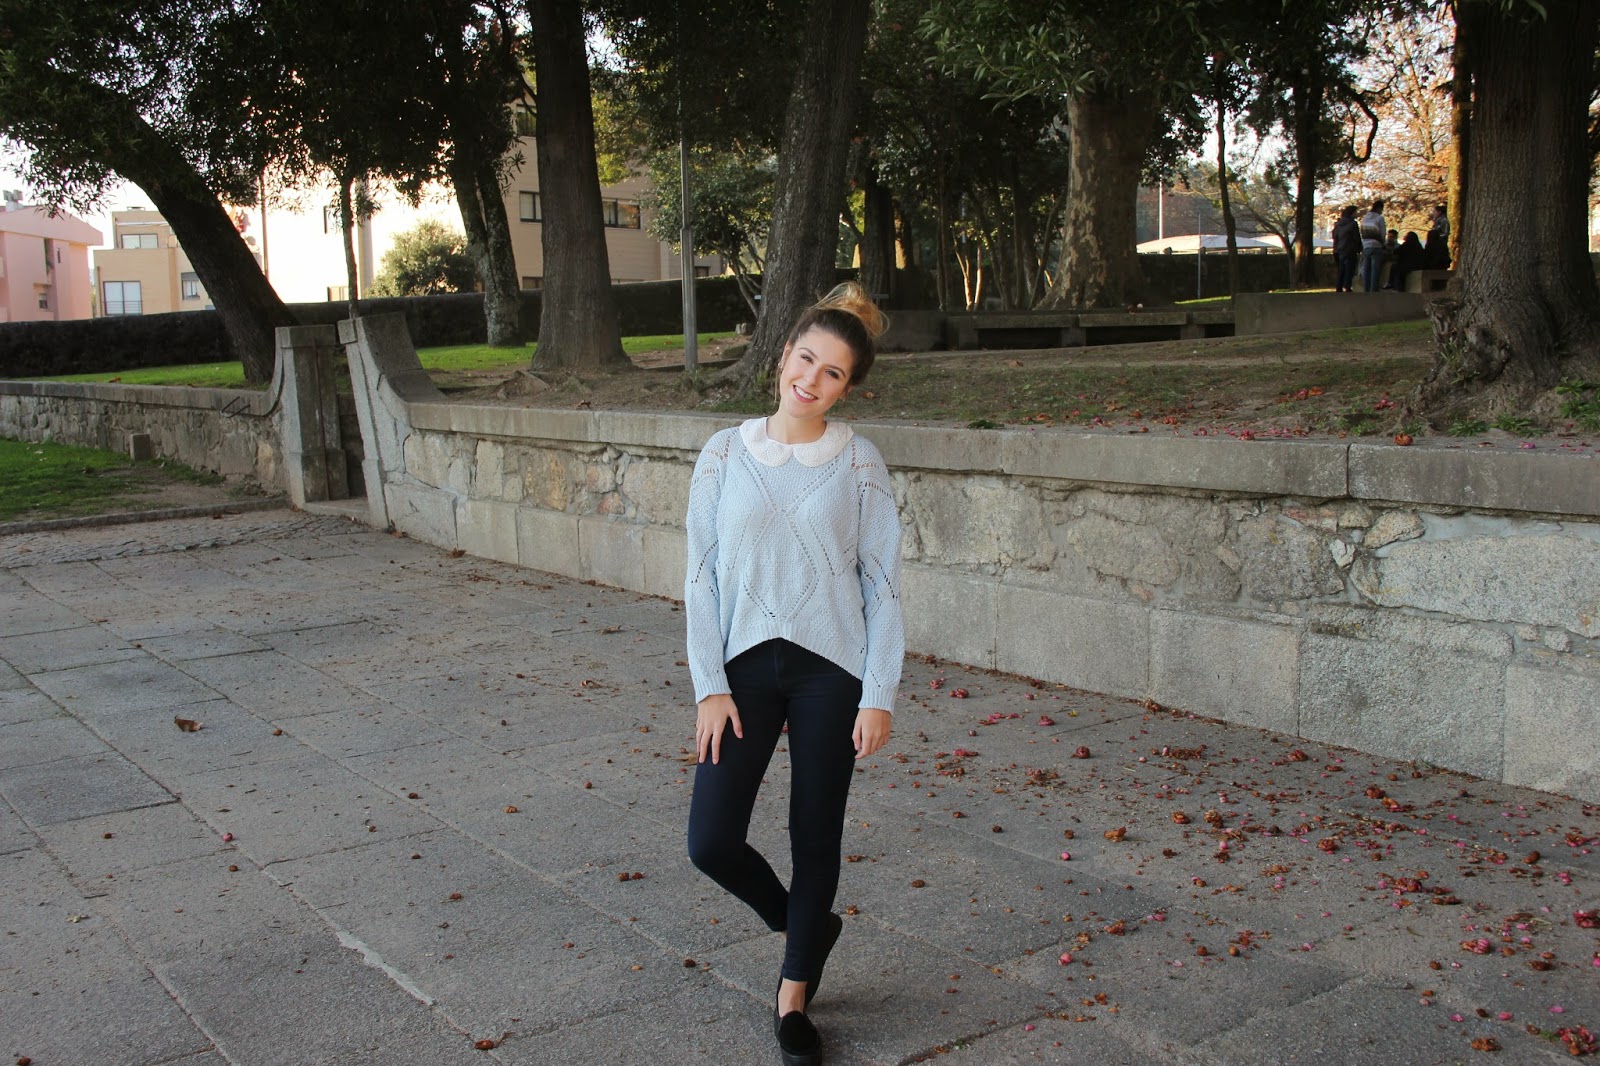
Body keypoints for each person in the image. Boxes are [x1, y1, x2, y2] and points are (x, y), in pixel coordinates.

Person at [684, 282, 904, 1066]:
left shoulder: (860, 462)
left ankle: (792, 999)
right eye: (805, 359)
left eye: (832, 372)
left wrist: (878, 694)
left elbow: (882, 584)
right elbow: (700, 578)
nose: (811, 379)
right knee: (710, 841)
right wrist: (709, 685)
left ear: (849, 387)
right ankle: (805, 925)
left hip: (831, 673)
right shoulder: (723, 452)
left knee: (815, 834)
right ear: (783, 355)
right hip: (741, 671)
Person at [1358, 198, 1387, 293]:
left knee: (1366, 268)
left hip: (1366, 245)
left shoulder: (1365, 218)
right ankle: (1373, 289)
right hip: (1376, 245)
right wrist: (1383, 243)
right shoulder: (1379, 218)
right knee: (1375, 268)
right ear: (1379, 208)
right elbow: (1382, 233)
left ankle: (1366, 288)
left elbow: (1362, 231)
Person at [1331, 206, 1361, 293]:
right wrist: (1359, 247)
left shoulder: (1338, 224)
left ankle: (1339, 285)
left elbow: (1335, 236)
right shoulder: (1353, 224)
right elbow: (1356, 237)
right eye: (1356, 212)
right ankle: (1347, 285)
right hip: (1350, 248)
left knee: (1341, 268)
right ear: (1352, 213)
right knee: (1350, 268)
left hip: (1339, 248)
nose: (1357, 214)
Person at [1425, 204, 1452, 270]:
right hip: (1433, 245)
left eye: (1435, 212)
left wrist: (1437, 237)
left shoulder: (1444, 220)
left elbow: (1445, 233)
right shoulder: (1437, 221)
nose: (1434, 213)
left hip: (1441, 244)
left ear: (1439, 212)